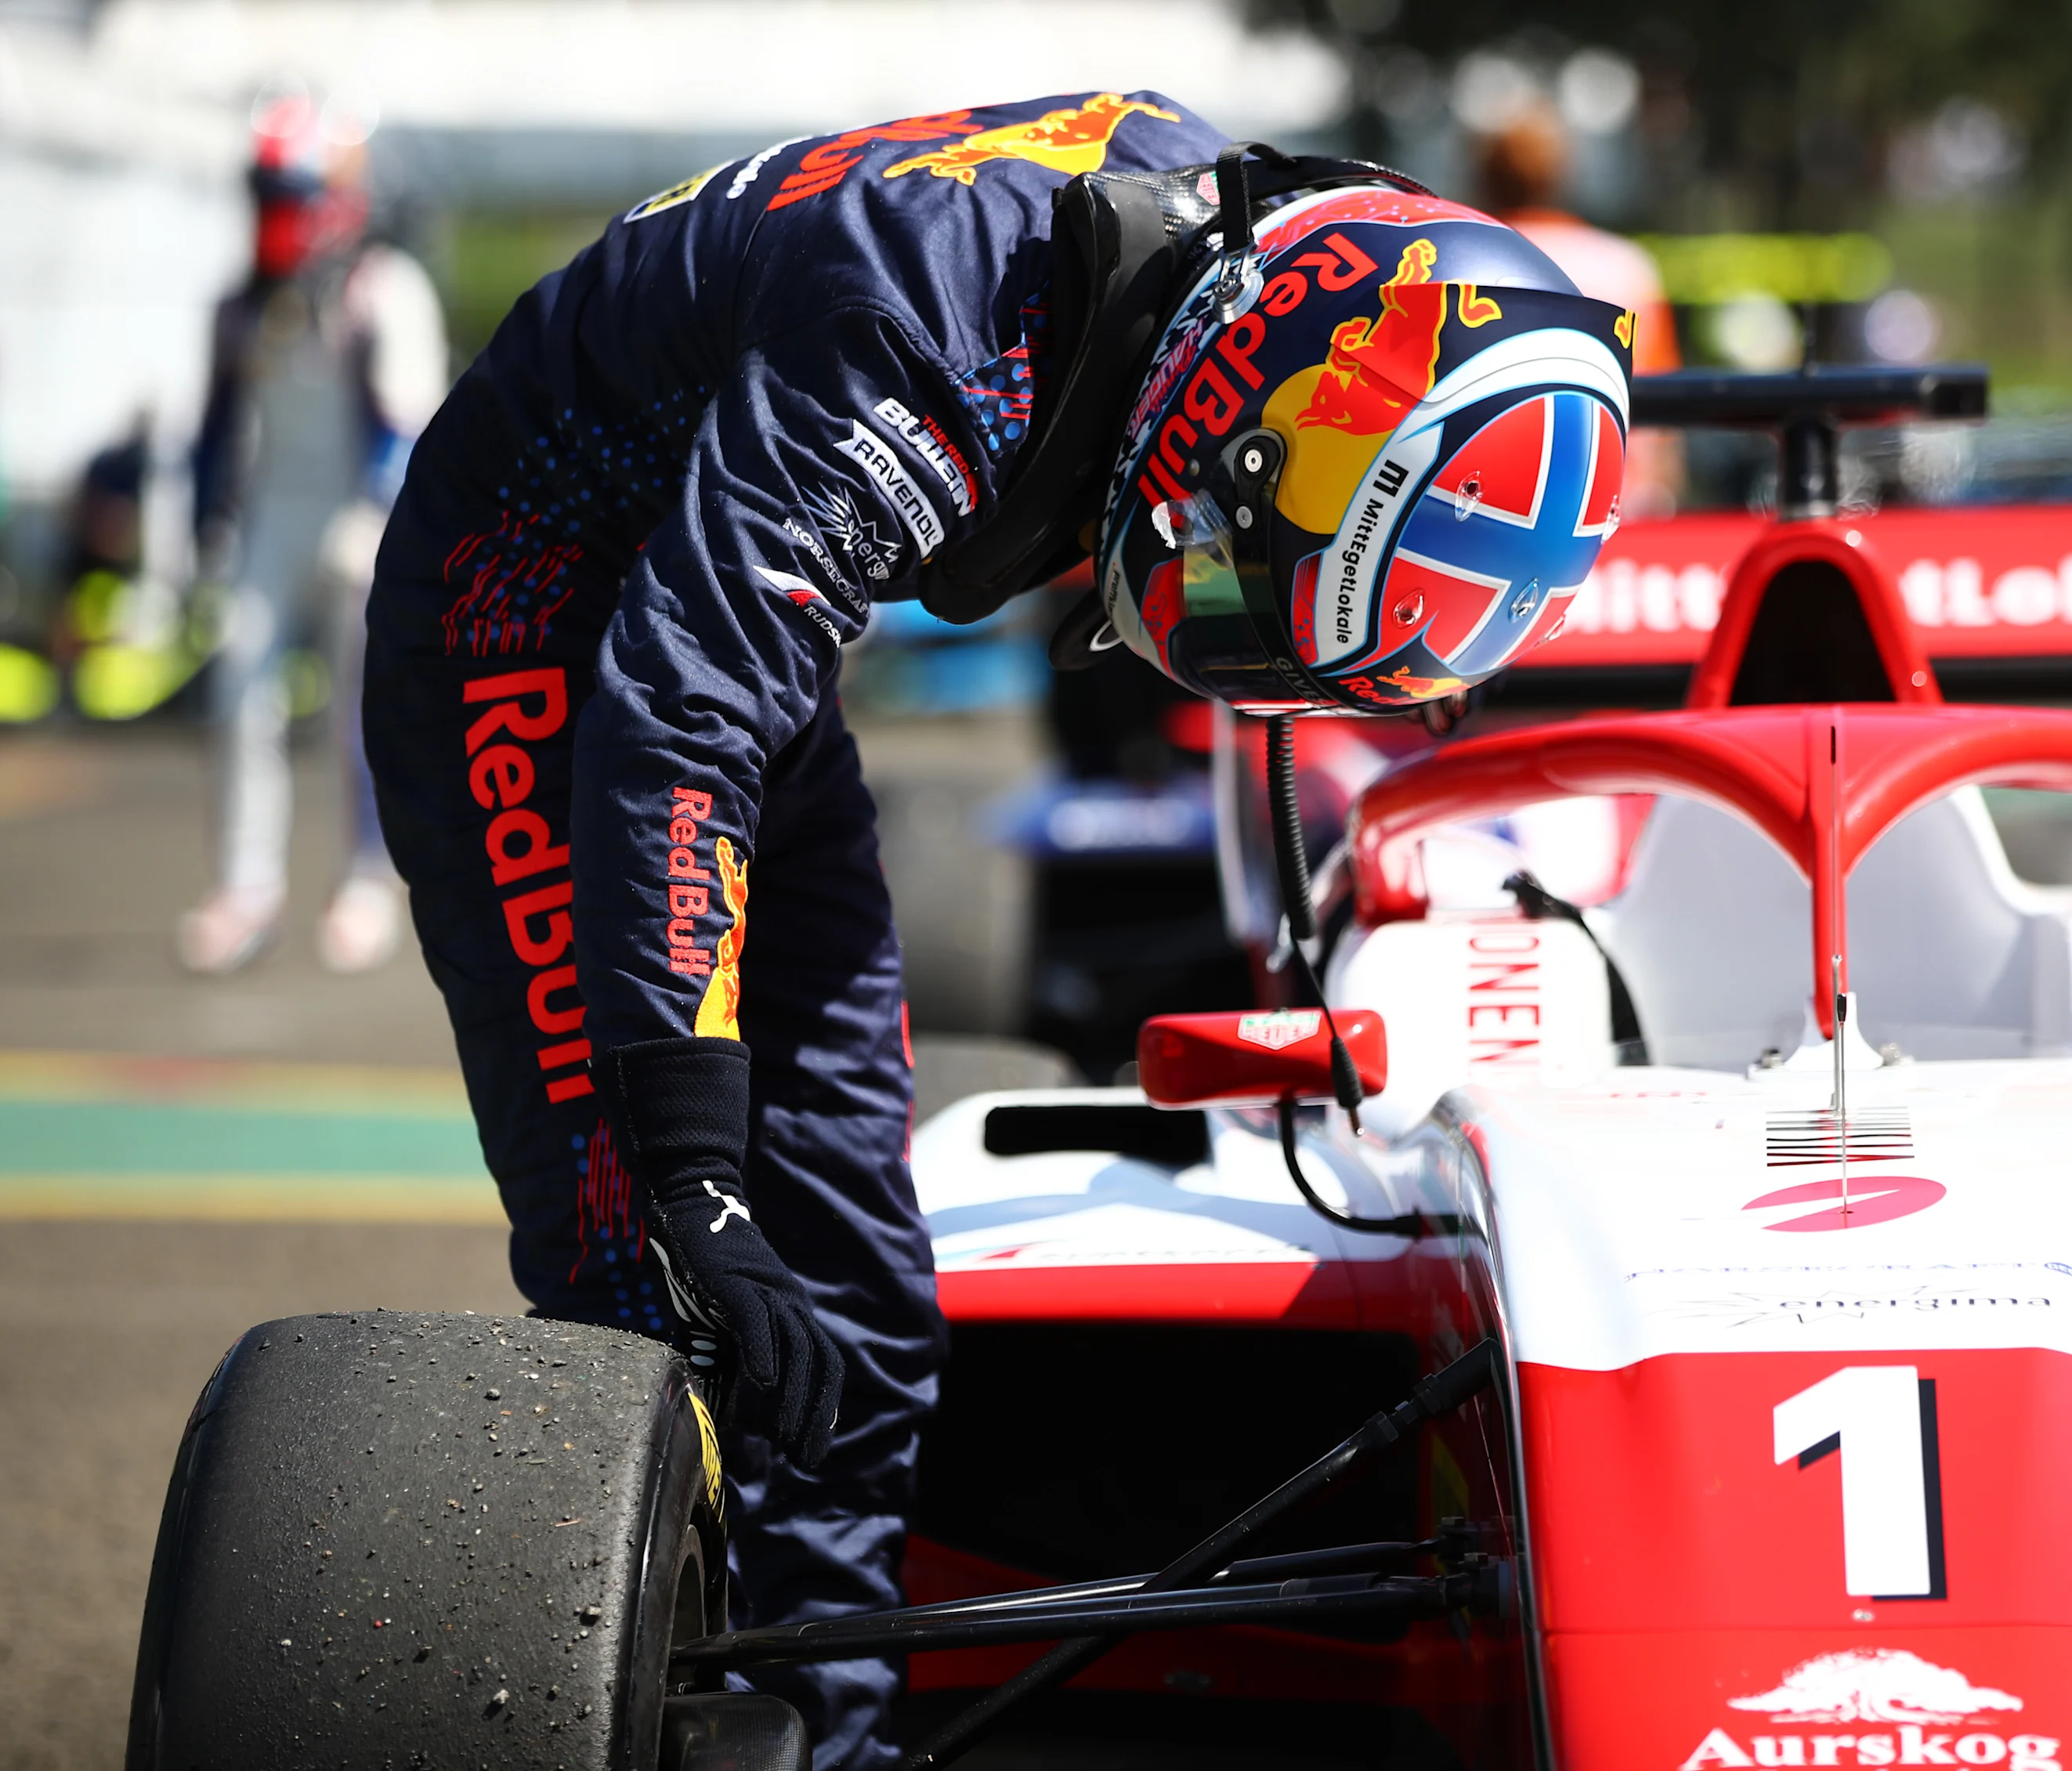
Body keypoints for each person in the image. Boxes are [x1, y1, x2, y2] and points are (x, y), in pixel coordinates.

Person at [362, 91, 1629, 1769]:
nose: (1232, 619)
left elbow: (725, 672)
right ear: (1238, 427)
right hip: (526, 632)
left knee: (860, 1306)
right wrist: (692, 1166)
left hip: (720, 645)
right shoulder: (930, 333)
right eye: (1262, 578)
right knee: (665, 1301)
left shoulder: (1297, 265)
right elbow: (675, 713)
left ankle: (831, 1735)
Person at [182, 93, 448, 974]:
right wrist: (200, 530)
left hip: (358, 520)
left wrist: (373, 516)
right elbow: (216, 427)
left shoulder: (382, 290)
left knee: (357, 712)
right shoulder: (241, 306)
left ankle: (366, 878)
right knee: (239, 696)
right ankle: (246, 884)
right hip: (272, 516)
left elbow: (404, 428)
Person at [1474, 108, 1683, 518]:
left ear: (1483, 176)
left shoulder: (1460, 264)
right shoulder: (1626, 265)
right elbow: (1662, 410)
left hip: (1486, 510)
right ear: (1561, 175)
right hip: (1615, 506)